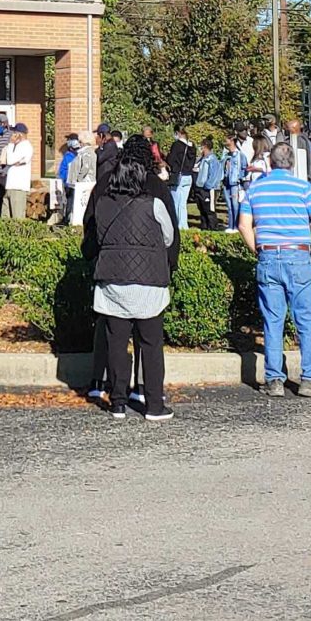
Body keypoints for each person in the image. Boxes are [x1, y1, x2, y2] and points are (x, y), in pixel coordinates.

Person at [237, 147, 311, 397]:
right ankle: (309, 379)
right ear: (292, 163)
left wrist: (258, 250)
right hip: (298, 257)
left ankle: (274, 380)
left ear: (270, 163)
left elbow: (243, 225)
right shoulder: (302, 188)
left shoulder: (255, 189)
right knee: (306, 320)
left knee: (272, 321)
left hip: (268, 257)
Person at [83, 142, 178, 421]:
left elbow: (95, 238)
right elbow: (169, 237)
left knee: (116, 343)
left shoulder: (103, 203)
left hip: (112, 280)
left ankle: (117, 401)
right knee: (150, 343)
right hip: (149, 280)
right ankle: (154, 405)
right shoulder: (154, 202)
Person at [0, 122, 33, 219]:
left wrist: (10, 144)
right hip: (10, 186)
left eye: (14, 132)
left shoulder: (26, 146)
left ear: (20, 134)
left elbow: (10, 160)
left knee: (17, 217)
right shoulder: (16, 147)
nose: (12, 135)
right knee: (5, 216)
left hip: (18, 187)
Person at [165, 129, 197, 230]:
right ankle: (184, 225)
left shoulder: (177, 145)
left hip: (178, 175)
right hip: (188, 176)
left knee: (176, 202)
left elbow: (171, 160)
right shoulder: (192, 147)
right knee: (183, 203)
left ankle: (178, 225)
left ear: (179, 134)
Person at [68, 130, 101, 228]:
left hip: (84, 183)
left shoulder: (87, 152)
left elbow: (85, 167)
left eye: (79, 141)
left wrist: (78, 179)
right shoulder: (82, 152)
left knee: (81, 205)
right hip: (81, 183)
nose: (78, 143)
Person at [50, 133, 79, 226]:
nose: (67, 142)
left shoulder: (74, 155)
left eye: (69, 140)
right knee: (67, 202)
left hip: (72, 183)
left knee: (71, 203)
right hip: (66, 183)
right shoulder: (68, 154)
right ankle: (66, 219)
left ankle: (67, 220)